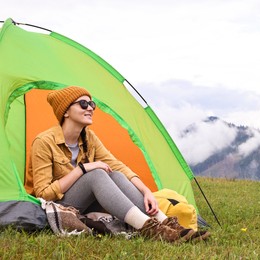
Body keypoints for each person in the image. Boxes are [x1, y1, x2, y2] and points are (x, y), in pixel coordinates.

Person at [25, 86, 210, 242]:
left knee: (115, 174)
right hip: (61, 203)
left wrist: (146, 191)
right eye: (83, 103)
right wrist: (83, 169)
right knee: (96, 174)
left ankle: (166, 223)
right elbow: (44, 194)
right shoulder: (44, 142)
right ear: (65, 111)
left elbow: (118, 165)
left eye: (92, 104)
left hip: (87, 203)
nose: (90, 108)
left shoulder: (89, 137)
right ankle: (148, 228)